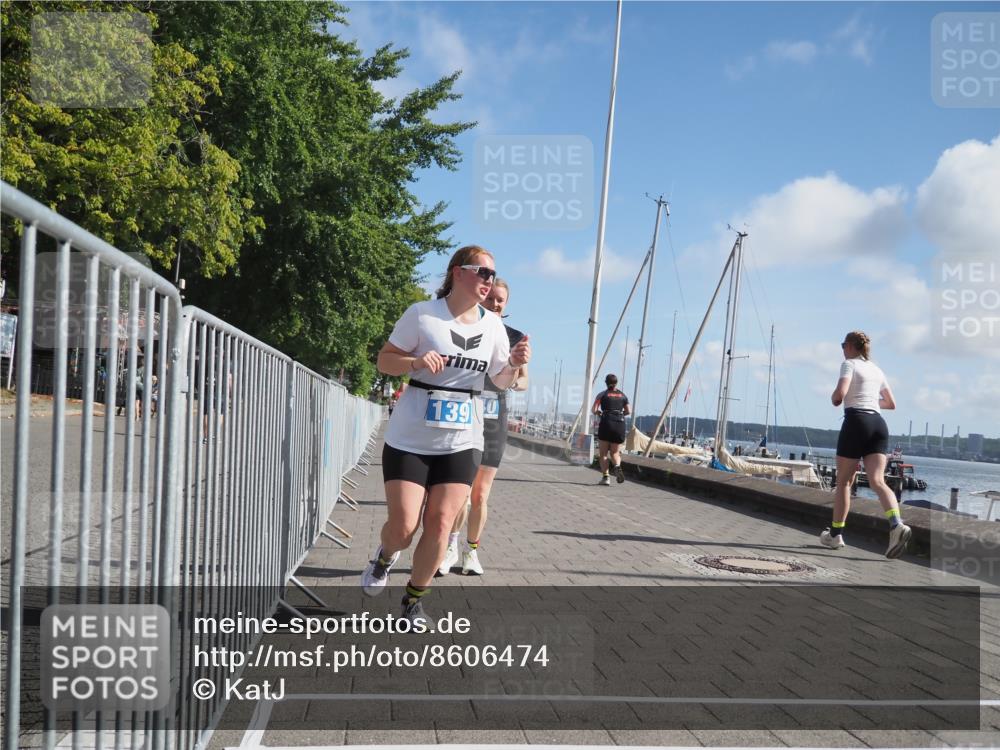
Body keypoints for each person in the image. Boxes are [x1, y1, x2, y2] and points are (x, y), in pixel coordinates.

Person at [361, 246, 531, 625]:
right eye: (482, 273)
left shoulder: (493, 327)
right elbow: (385, 360)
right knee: (404, 528)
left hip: (462, 440)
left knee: (440, 523)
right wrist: (415, 362)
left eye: (493, 275)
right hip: (410, 438)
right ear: (458, 272)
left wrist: (515, 366)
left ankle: (413, 600)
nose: (489, 281)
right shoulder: (422, 314)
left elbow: (499, 381)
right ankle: (385, 556)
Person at [438, 278, 529, 576]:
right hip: (465, 415)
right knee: (461, 492)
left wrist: (513, 376)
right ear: (483, 297)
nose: (496, 303)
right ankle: (450, 546)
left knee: (480, 495)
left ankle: (472, 551)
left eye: (501, 299)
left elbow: (524, 381)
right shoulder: (467, 327)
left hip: (493, 419)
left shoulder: (516, 336)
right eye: (491, 298)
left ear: (507, 304)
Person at [821, 330, 911, 558]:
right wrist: (870, 398)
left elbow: (839, 396)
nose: (842, 350)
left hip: (856, 422)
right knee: (878, 480)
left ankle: (835, 535)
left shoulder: (849, 364)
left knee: (843, 482)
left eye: (843, 345)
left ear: (851, 346)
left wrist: (835, 397)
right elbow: (891, 403)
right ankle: (896, 524)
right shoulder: (877, 370)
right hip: (878, 423)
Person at [592, 374, 630, 486]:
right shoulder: (623, 395)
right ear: (616, 383)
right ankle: (617, 466)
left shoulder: (602, 394)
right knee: (615, 452)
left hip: (606, 423)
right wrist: (620, 413)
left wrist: (599, 413)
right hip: (619, 424)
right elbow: (628, 411)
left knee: (603, 454)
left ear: (606, 382)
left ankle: (606, 478)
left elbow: (594, 409)